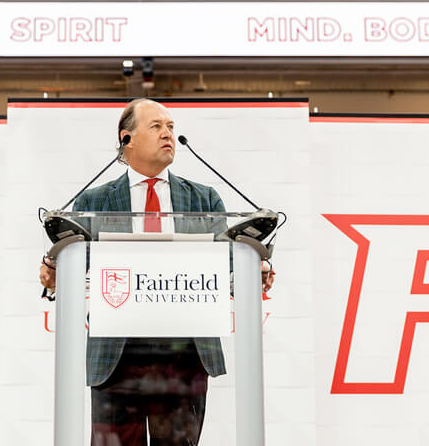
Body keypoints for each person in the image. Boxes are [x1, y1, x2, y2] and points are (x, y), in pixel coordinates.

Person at [40, 98, 275, 445]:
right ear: (126, 139)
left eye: (171, 127)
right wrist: (55, 275)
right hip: (117, 353)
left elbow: (227, 266)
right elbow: (74, 267)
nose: (167, 134)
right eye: (156, 127)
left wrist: (251, 272)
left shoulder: (204, 200)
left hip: (183, 353)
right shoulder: (93, 203)